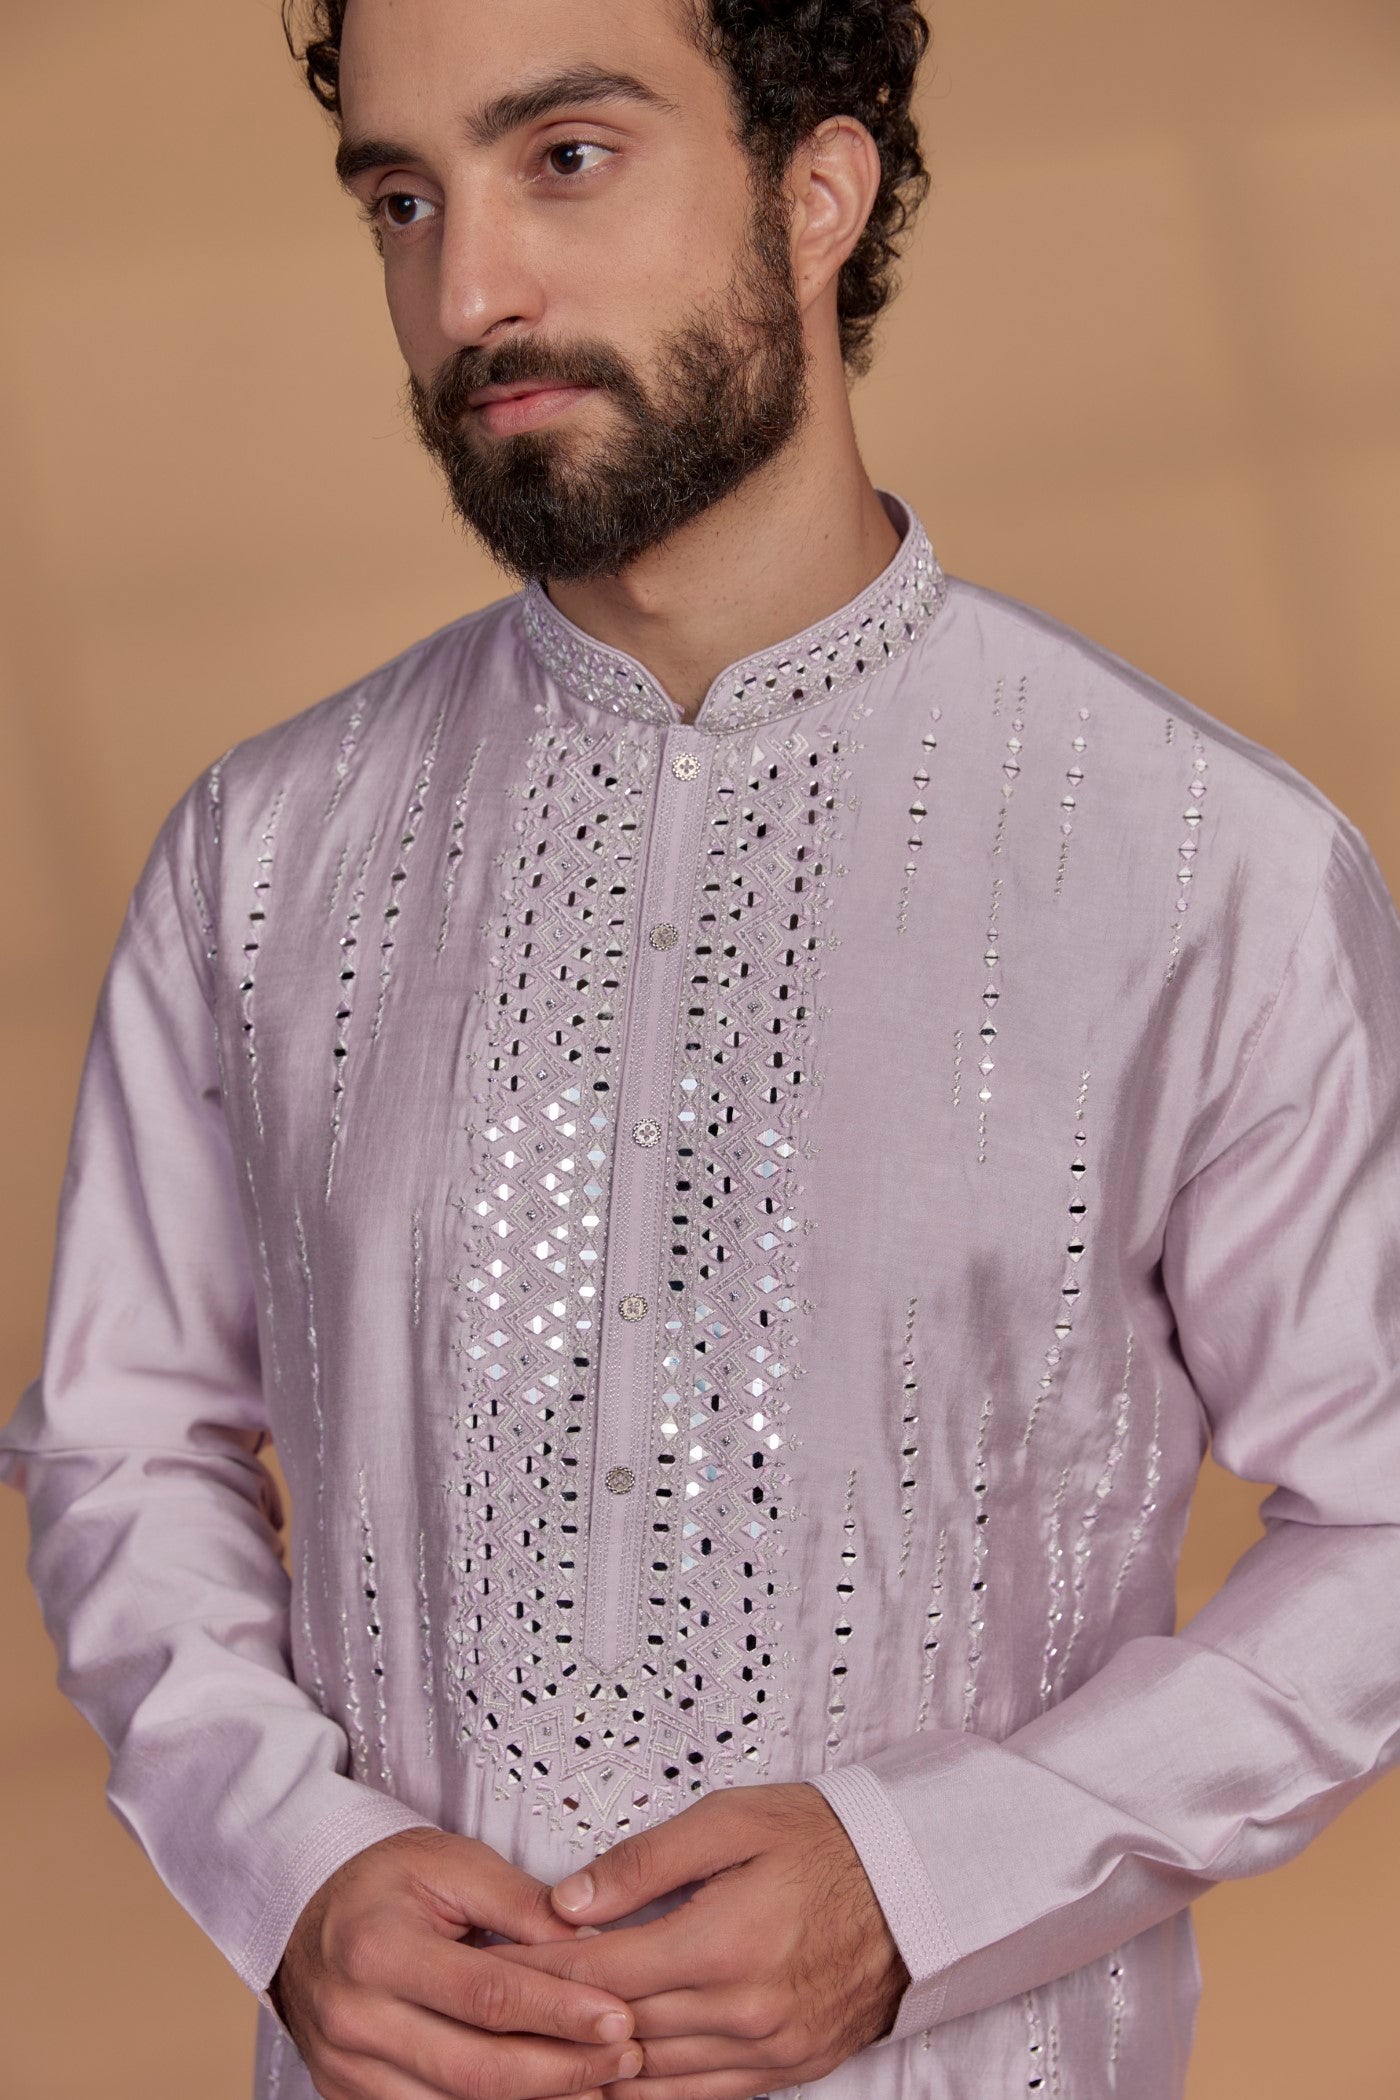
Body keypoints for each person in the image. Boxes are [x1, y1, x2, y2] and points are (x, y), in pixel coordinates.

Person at [4, 0, 1399, 2095]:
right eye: (403, 200)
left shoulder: (1204, 867)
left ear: (815, 192)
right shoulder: (265, 855)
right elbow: (124, 1441)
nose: (468, 292)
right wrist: (283, 1861)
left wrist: (935, 1882)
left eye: (563, 158)